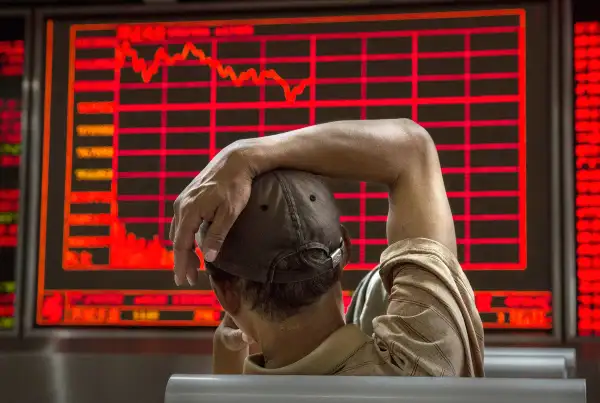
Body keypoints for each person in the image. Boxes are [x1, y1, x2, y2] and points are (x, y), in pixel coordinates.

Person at [169, 118, 485, 376]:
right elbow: (413, 149)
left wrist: (226, 376)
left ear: (226, 294)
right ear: (344, 250)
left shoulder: (231, 389)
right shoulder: (425, 359)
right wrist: (246, 155)